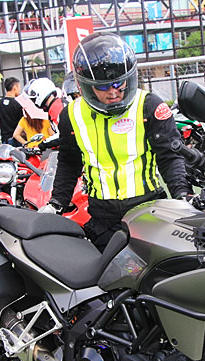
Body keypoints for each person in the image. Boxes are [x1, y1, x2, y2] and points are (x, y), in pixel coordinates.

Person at [39, 32, 191, 251]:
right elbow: (69, 162)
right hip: (102, 217)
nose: (113, 92)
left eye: (119, 83)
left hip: (148, 208)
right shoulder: (71, 115)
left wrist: (181, 195)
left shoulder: (148, 105)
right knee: (106, 279)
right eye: (102, 87)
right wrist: (56, 204)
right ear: (85, 85)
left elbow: (169, 156)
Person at [0, 77, 24, 146]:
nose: (19, 90)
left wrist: (3, 120)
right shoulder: (19, 103)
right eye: (19, 88)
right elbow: (24, 123)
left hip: (4, 141)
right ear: (15, 87)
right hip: (17, 140)